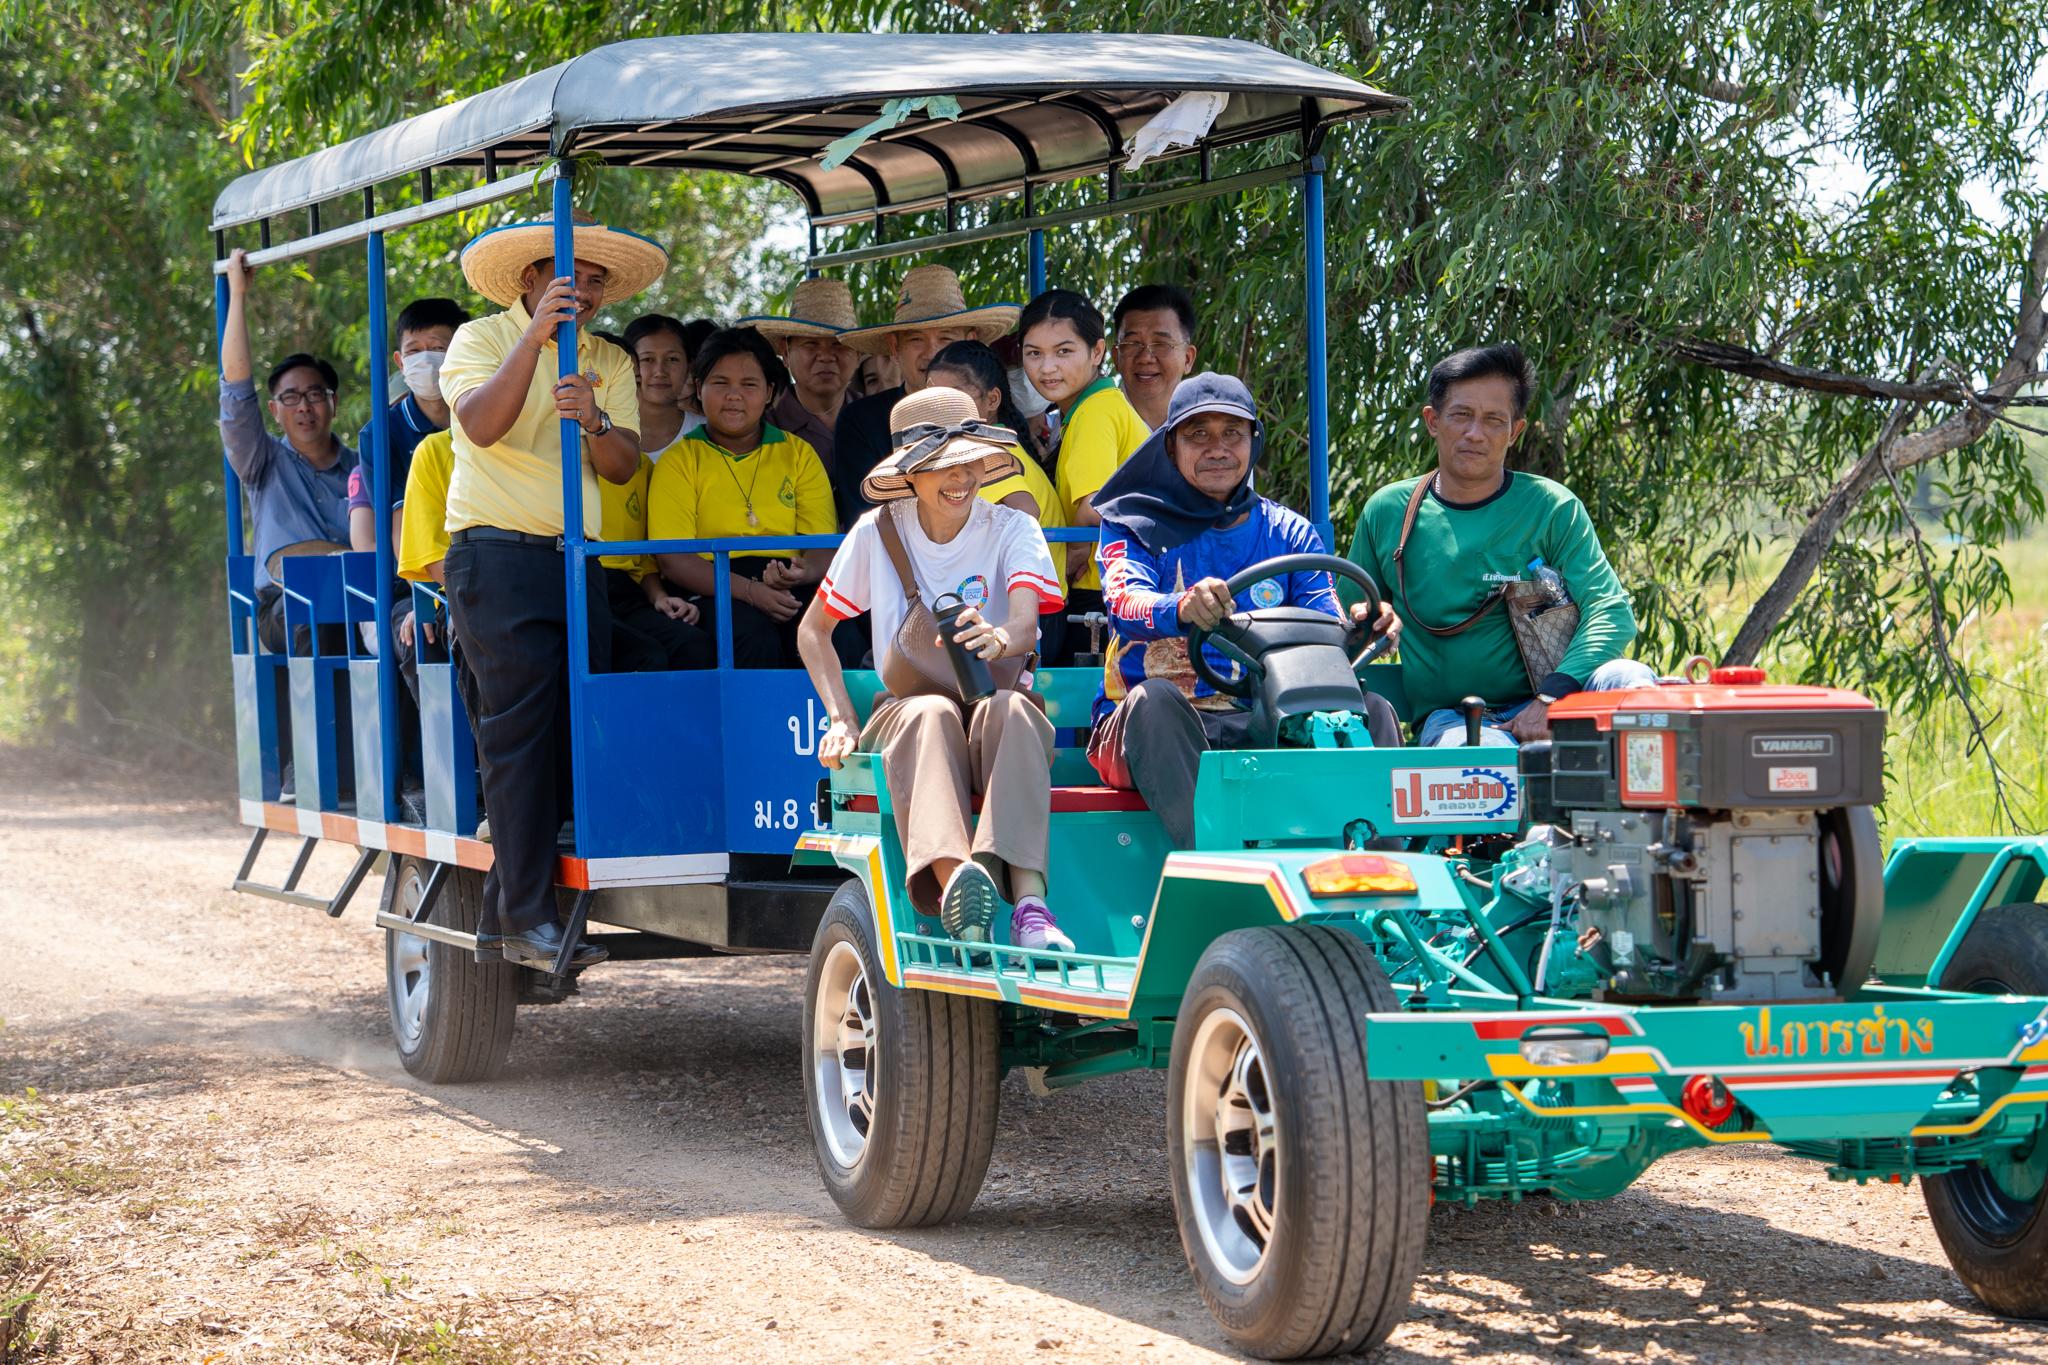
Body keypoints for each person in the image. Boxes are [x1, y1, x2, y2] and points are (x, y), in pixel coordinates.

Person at [439, 210, 666, 969]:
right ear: (531, 278)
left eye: (599, 279)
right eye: (575, 274)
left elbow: (625, 464)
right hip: (496, 558)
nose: (589, 290)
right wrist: (535, 340)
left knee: (580, 723)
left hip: (579, 561)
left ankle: (525, 912)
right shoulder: (481, 339)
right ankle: (527, 917)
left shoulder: (610, 358)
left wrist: (595, 416)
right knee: (520, 730)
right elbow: (477, 425)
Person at [798, 386, 1071, 951]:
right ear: (907, 474)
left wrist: (997, 637)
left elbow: (1025, 625)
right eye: (941, 464)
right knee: (928, 712)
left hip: (992, 708)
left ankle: (1031, 907)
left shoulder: (1011, 528)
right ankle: (956, 887)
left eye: (969, 460)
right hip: (906, 713)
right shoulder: (876, 532)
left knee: (1013, 709)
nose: (960, 476)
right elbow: (813, 630)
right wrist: (840, 719)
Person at [1087, 374, 1403, 850]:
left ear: (1253, 443)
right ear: (1170, 446)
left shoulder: (1289, 533)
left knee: (1371, 710)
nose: (1217, 448)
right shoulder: (1132, 522)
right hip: (1148, 731)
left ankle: (1380, 887)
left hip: (1262, 724)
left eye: (1232, 433)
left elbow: (1326, 626)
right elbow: (1125, 602)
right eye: (1198, 434)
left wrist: (1363, 628)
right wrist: (1182, 606)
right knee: (1155, 701)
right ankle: (1219, 868)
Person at [1343, 344, 1654, 747]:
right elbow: (1345, 622)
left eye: (1493, 420)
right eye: (1461, 415)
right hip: (1456, 719)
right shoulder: (1388, 511)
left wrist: (1549, 698)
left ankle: (1644, 811)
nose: (1475, 433)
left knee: (1633, 685)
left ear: (1515, 431)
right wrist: (1371, 620)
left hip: (1560, 698)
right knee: (1489, 760)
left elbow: (1610, 612)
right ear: (1433, 421)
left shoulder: (1551, 507)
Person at [647, 327, 836, 669]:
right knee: (751, 633)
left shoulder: (798, 454)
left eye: (749, 384)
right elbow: (674, 561)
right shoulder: (680, 460)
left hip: (787, 580)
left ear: (770, 393)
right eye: (720, 383)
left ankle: (836, 724)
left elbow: (822, 545)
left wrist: (803, 573)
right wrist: (750, 592)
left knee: (835, 632)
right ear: (699, 389)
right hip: (713, 586)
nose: (734, 396)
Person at [217, 248, 358, 658]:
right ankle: (332, 723)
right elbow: (237, 391)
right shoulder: (263, 462)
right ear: (275, 411)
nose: (304, 407)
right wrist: (238, 295)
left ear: (332, 403)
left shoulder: (362, 467)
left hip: (355, 601)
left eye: (315, 395)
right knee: (315, 617)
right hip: (285, 609)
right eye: (291, 398)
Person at [832, 265, 1021, 528]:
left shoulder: (992, 416)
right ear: (895, 347)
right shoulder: (859, 421)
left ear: (971, 341)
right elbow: (866, 519)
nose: (931, 353)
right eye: (916, 340)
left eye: (945, 338)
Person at [1019, 290, 1150, 664]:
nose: (1047, 368)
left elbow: (1094, 506)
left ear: (1097, 352)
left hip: (1100, 589)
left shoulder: (1094, 410)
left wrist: (1074, 551)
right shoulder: (1101, 405)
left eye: (1063, 351)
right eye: (1034, 353)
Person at [924, 338, 1071, 663]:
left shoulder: (990, 451)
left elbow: (1025, 512)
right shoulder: (989, 445)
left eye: (954, 398)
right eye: (932, 398)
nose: (941, 410)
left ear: (992, 400)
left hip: (1029, 612)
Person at [348, 298, 472, 554]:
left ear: (463, 351)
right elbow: (402, 533)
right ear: (400, 362)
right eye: (414, 351)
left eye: (438, 347)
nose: (426, 362)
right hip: (421, 576)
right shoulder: (379, 436)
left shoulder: (486, 416)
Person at [740, 278, 862, 479]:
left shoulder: (878, 418)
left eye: (838, 344)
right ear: (786, 354)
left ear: (857, 355)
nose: (825, 356)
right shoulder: (765, 434)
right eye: (811, 344)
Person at [1109, 283, 1198, 433]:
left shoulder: (1206, 426)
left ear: (1188, 359)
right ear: (1116, 357)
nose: (1145, 358)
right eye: (1132, 343)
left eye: (1161, 344)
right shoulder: (1091, 419)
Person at [622, 313, 703, 460]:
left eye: (672, 359)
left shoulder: (709, 435)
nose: (660, 372)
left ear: (688, 367)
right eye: (647, 359)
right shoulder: (603, 432)